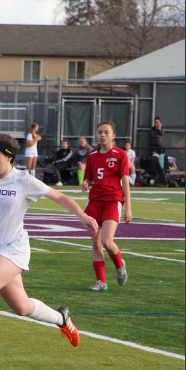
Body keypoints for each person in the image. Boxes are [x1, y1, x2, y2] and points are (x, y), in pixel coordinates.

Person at [0, 133, 97, 370]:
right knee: (22, 307)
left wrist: (83, 216)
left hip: (14, 248)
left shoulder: (23, 180)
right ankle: (62, 319)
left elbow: (58, 196)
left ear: (9, 156)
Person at [82, 121, 132, 292]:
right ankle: (101, 282)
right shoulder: (92, 155)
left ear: (113, 135)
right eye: (100, 132)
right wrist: (86, 182)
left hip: (113, 200)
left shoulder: (121, 154)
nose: (102, 135)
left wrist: (128, 207)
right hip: (95, 200)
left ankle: (119, 264)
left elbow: (125, 181)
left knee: (106, 241)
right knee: (96, 242)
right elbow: (89, 177)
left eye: (106, 132)